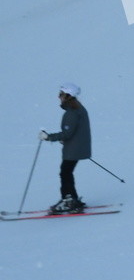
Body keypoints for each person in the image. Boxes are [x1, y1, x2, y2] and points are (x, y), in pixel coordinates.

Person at [41, 83, 92, 214]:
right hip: (78, 148)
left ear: (68, 96)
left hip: (74, 150)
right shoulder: (78, 109)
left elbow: (67, 133)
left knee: (65, 172)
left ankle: (69, 201)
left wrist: (48, 137)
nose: (59, 97)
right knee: (66, 172)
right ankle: (72, 199)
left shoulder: (72, 112)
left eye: (61, 94)